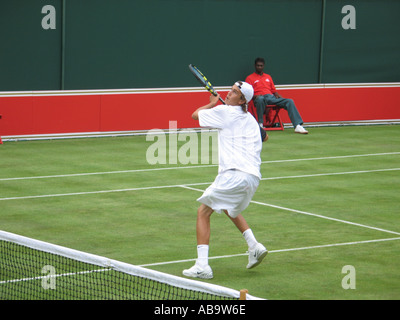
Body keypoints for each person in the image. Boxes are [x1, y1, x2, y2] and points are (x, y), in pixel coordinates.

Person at [183, 81, 268, 279]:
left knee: (203, 212)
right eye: (230, 90)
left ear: (242, 99)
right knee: (229, 208)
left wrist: (212, 103)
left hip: (234, 175)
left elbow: (195, 115)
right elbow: (264, 138)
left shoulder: (224, 112)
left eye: (234, 92)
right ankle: (254, 246)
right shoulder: (251, 120)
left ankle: (202, 265)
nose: (228, 94)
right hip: (253, 178)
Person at [246, 57, 308, 134]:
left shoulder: (268, 77)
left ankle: (297, 126)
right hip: (259, 98)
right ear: (255, 66)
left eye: (261, 66)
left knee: (289, 101)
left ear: (263, 66)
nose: (259, 67)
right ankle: (260, 125)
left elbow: (273, 90)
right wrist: (255, 96)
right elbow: (249, 93)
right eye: (258, 65)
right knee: (260, 99)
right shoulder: (249, 78)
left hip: (270, 97)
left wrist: (278, 96)